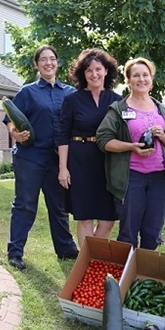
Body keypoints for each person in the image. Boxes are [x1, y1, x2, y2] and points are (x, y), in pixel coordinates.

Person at [4, 45, 79, 270]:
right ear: (36, 64)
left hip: (58, 160)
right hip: (30, 157)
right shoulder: (28, 92)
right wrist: (14, 133)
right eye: (43, 59)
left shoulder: (70, 93)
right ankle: (15, 252)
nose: (49, 63)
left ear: (57, 63)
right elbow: (10, 118)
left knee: (59, 206)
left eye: (52, 59)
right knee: (25, 205)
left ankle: (65, 248)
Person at [96, 57, 165, 249]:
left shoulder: (161, 108)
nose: (141, 79)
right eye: (136, 76)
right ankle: (126, 276)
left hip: (159, 178)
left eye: (145, 75)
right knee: (129, 231)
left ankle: (144, 275)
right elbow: (103, 140)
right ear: (128, 81)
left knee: (152, 231)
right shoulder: (119, 109)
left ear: (151, 79)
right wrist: (131, 147)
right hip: (131, 178)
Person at [57, 48, 122, 247]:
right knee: (84, 216)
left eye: (98, 69)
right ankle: (87, 261)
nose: (94, 74)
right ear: (82, 74)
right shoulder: (72, 100)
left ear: (106, 71)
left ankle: (94, 254)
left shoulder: (117, 101)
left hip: (107, 162)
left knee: (108, 218)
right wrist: (63, 168)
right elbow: (62, 135)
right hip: (80, 161)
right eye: (89, 70)